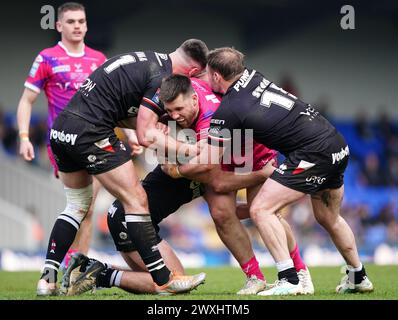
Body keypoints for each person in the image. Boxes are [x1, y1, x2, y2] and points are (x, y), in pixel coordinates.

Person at [63, 75, 313, 296]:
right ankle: (100, 273)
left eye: (178, 110)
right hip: (132, 217)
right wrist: (154, 140)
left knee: (228, 213)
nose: (174, 116)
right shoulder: (173, 95)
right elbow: (142, 127)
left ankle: (281, 275)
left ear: (194, 99)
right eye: (169, 111)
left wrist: (177, 166)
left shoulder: (211, 119)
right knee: (174, 279)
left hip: (204, 166)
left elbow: (212, 177)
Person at [36, 38, 209, 296]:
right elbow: (145, 134)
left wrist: (144, 127)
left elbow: (121, 109)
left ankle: (47, 280)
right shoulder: (161, 78)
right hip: (92, 133)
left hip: (63, 129)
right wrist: (187, 149)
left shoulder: (147, 57)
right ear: (194, 72)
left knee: (76, 206)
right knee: (137, 199)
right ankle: (163, 279)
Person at [205, 47, 373, 295]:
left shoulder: (228, 110)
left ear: (217, 76)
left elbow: (208, 161)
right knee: (330, 218)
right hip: (336, 144)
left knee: (261, 209)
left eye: (208, 75)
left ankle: (289, 279)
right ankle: (358, 277)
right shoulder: (254, 75)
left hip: (312, 153)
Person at [16, 2, 107, 269]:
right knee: (79, 206)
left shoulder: (98, 59)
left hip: (96, 138)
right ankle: (63, 265)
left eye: (81, 21)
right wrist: (24, 137)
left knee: (88, 208)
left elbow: (111, 102)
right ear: (58, 25)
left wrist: (130, 134)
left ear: (87, 25)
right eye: (70, 21)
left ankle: (74, 271)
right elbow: (25, 101)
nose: (77, 26)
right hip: (64, 143)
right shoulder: (47, 58)